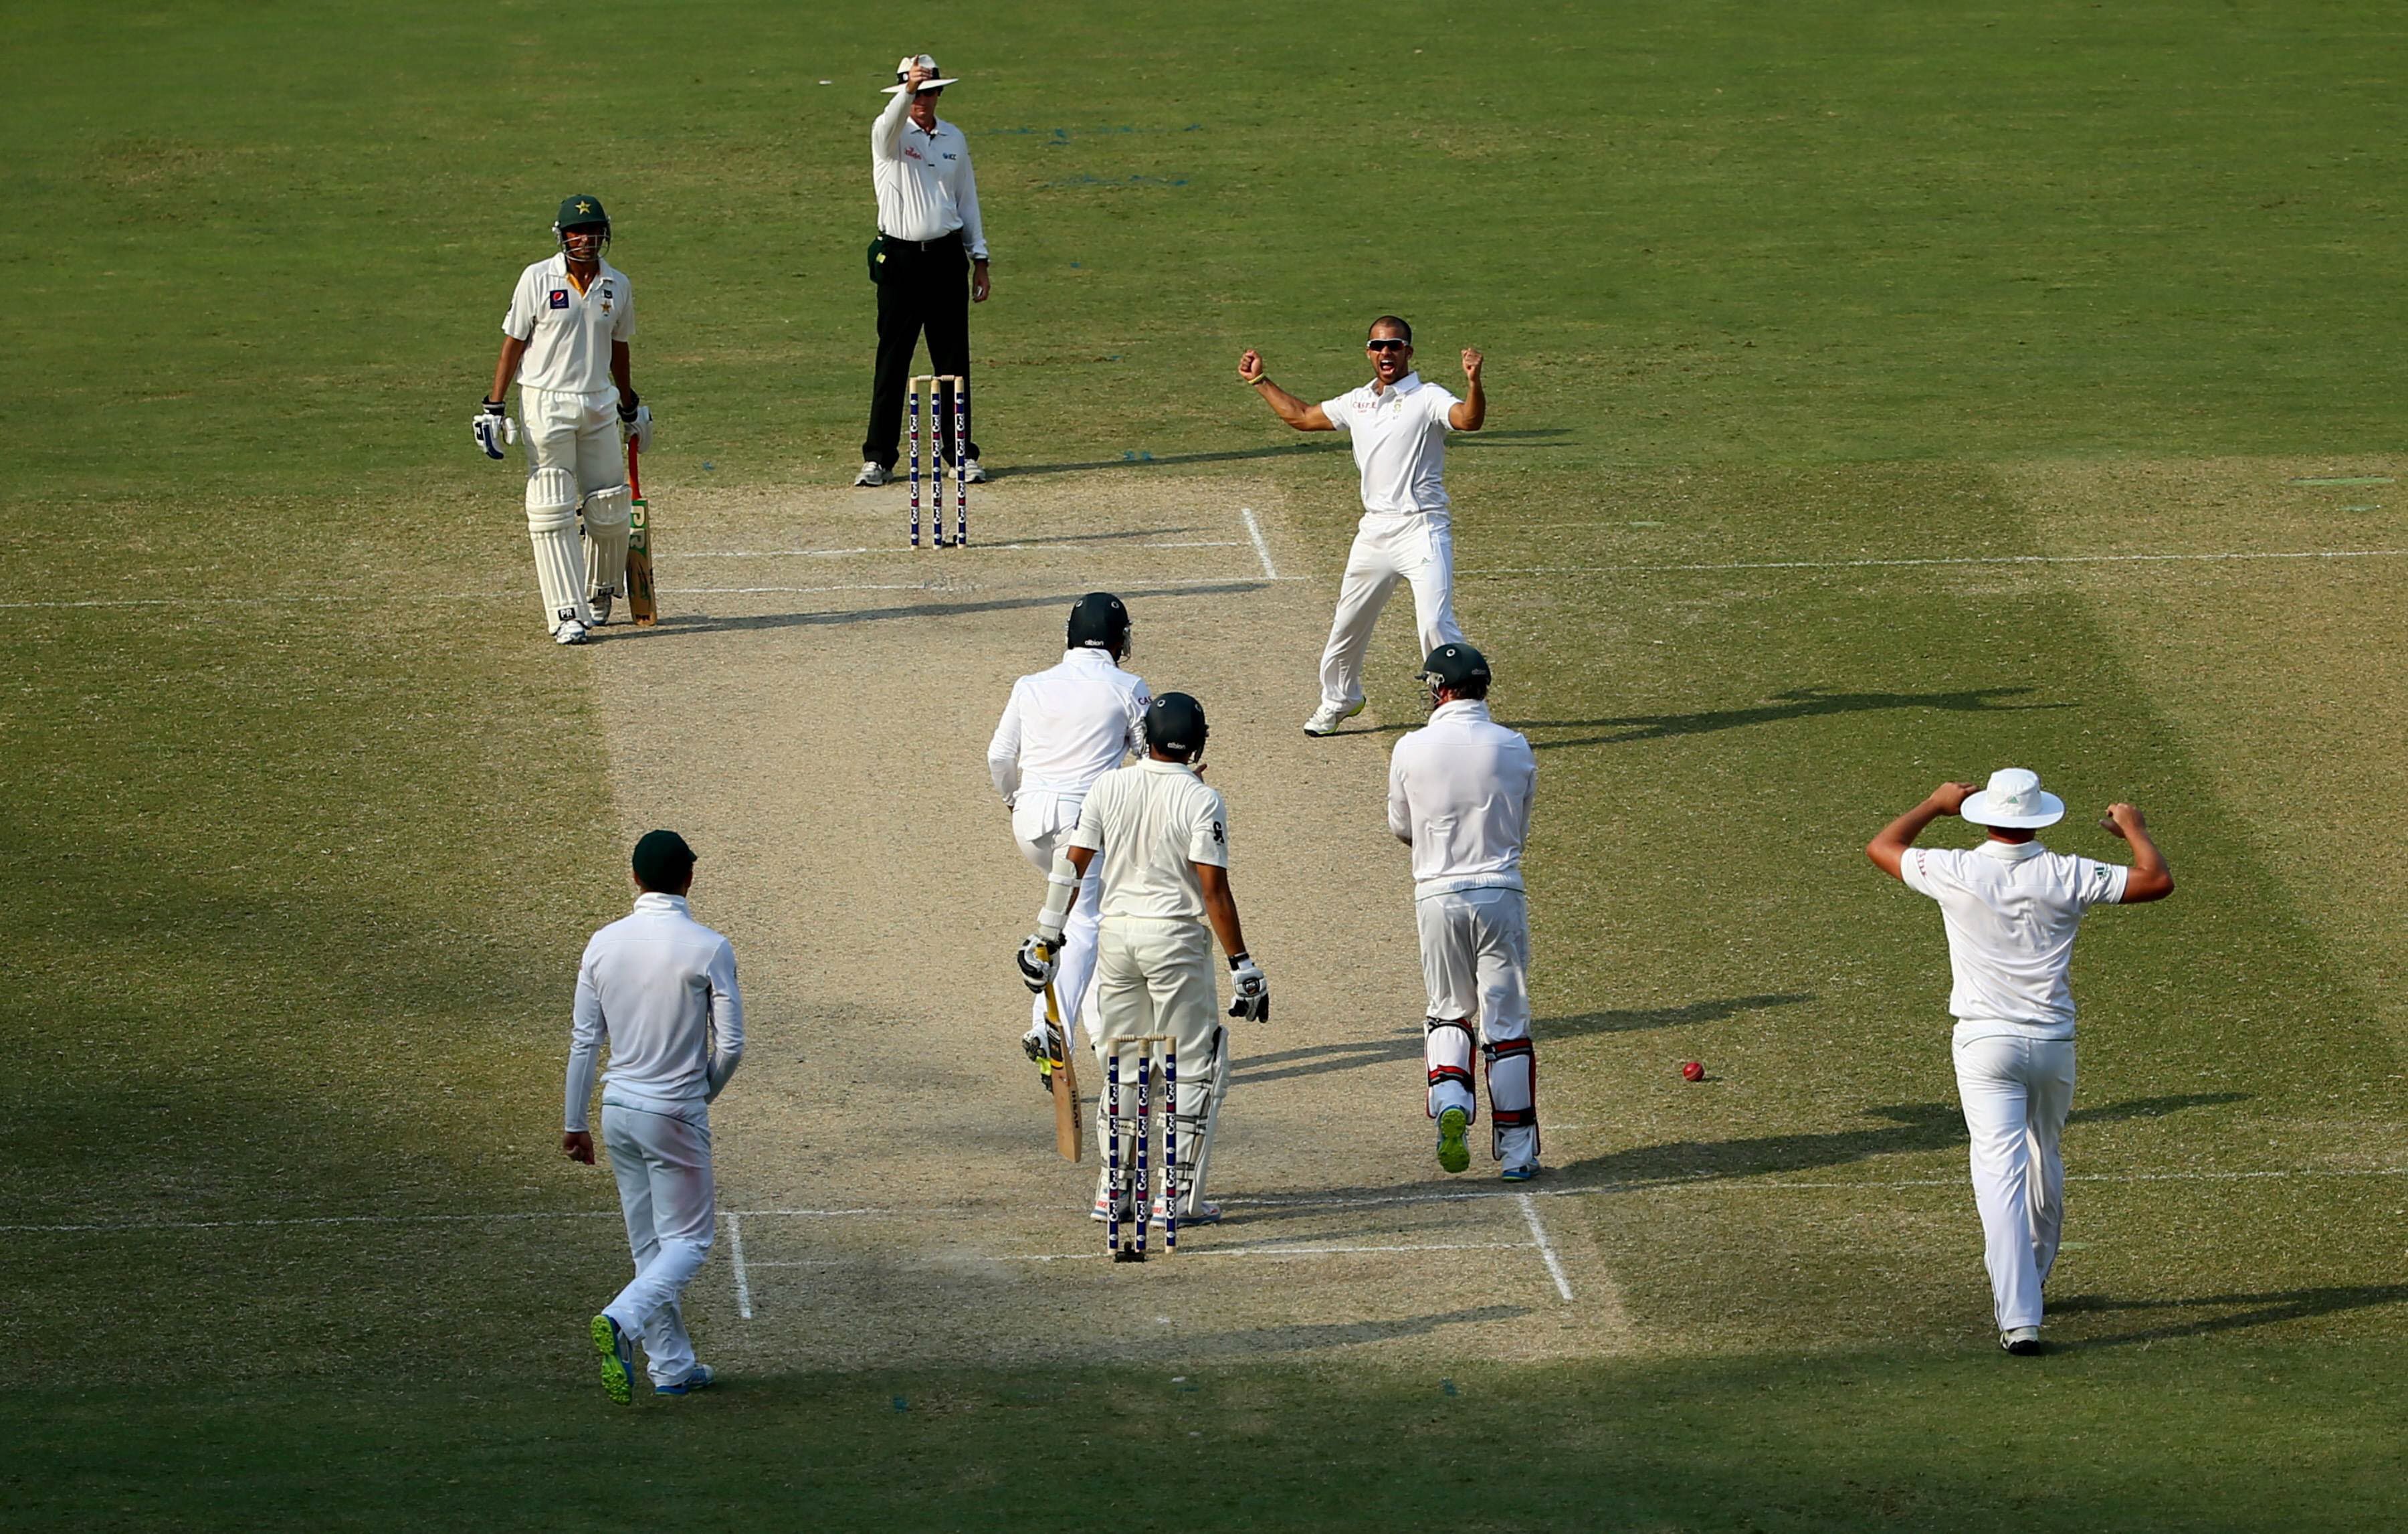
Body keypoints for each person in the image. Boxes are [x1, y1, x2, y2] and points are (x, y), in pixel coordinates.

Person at [1868, 769, 2173, 1356]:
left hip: (1985, 1044)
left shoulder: (1955, 867)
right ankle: (2031, 1281)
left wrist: (1933, 803)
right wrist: (2134, 829)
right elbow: (2156, 880)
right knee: (2044, 1156)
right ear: (2039, 818)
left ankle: (2021, 1316)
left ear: (1985, 815)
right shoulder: (2070, 872)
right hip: (2053, 1042)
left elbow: (1883, 847)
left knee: (1997, 1174)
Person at [1016, 694, 1268, 1226]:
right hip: (1175, 941)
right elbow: (1214, 890)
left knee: (1124, 1064)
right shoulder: (1202, 799)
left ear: (1144, 737)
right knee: (1195, 1067)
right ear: (1197, 743)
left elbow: (1073, 865)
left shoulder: (1110, 785)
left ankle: (1115, 1192)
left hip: (1118, 940)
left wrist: (1045, 935)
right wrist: (1242, 964)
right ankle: (1175, 1199)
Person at [1237, 317, 1486, 734]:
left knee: (1435, 623)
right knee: (1347, 623)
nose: (1386, 353)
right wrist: (1260, 379)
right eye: (1378, 346)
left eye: (1395, 346)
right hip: (1374, 532)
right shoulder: (1357, 401)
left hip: (1422, 528)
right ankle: (1340, 700)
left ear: (1409, 352)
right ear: (1369, 352)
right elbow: (1300, 417)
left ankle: (1455, 711)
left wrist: (1474, 382)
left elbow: (1467, 420)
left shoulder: (1428, 397)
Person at [563, 830, 744, 1403]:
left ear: (635, 880)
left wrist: (576, 1122)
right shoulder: (709, 946)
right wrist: (697, 1098)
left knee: (650, 1244)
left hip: (618, 1112)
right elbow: (731, 1045)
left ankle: (671, 1366)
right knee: (689, 1242)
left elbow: (585, 1041)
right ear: (689, 878)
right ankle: (620, 1319)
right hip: (675, 1112)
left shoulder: (602, 943)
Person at [1387, 644, 1541, 1180]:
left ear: (1441, 689)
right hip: (1501, 890)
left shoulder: (1410, 748)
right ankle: (1519, 1152)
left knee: (1449, 1010)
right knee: (1507, 1025)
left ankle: (1453, 1097)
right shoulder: (1516, 747)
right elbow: (1519, 830)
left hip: (1437, 894)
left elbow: (1401, 827)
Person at [476, 194, 654, 644]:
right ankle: (566, 612)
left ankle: (598, 590)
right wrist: (493, 406)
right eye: (577, 231)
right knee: (553, 501)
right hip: (545, 401)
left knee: (611, 506)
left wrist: (630, 405)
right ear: (562, 236)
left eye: (593, 230)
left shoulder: (617, 285)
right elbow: (513, 343)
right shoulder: (537, 279)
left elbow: (619, 348)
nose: (586, 238)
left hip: (597, 402)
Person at [987, 593, 1151, 1080]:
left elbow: (999, 757)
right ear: (1120, 640)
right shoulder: (1129, 685)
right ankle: (1049, 1028)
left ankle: (1106, 1042)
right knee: (1082, 924)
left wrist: (1014, 799)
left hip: (1031, 822)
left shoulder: (1030, 685)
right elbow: (1148, 759)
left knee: (1089, 921)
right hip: (1087, 825)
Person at [856, 54, 990, 488]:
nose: (923, 100)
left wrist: (980, 258)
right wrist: (907, 89)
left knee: (953, 360)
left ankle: (960, 454)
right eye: (917, 92)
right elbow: (887, 121)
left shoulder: (955, 138)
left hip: (947, 258)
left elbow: (966, 199)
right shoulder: (889, 135)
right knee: (893, 360)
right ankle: (878, 458)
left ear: (940, 94)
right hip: (900, 259)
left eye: (931, 92)